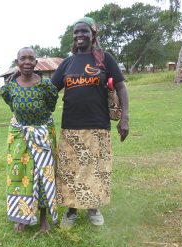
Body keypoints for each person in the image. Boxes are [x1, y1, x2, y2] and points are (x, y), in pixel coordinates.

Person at [51, 17, 129, 227]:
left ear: (93, 34)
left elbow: (121, 87)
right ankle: (71, 210)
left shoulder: (105, 59)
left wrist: (125, 118)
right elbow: (50, 89)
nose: (79, 35)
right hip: (71, 125)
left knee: (95, 169)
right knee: (70, 170)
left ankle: (93, 208)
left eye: (84, 31)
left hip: (98, 125)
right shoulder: (67, 62)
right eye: (76, 32)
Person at [1, 47, 59, 233]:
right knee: (20, 175)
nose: (27, 62)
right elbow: (13, 107)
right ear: (17, 62)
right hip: (19, 135)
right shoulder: (10, 87)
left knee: (43, 175)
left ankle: (43, 218)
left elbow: (51, 107)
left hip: (42, 134)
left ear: (36, 62)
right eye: (23, 58)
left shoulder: (46, 86)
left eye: (31, 59)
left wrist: (36, 126)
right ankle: (23, 217)